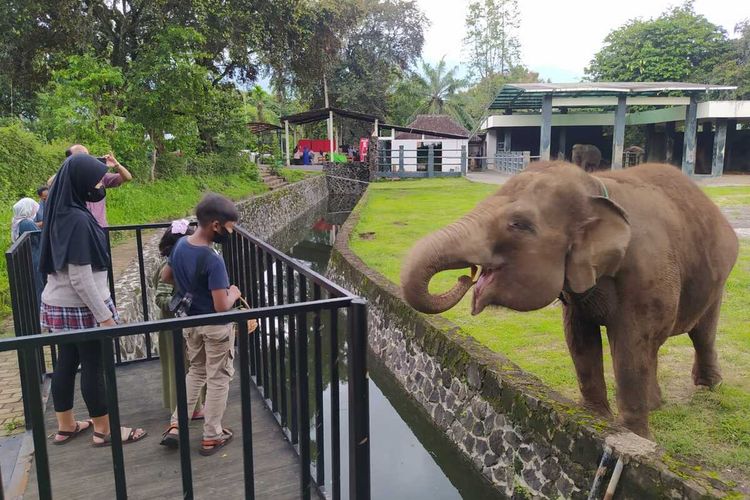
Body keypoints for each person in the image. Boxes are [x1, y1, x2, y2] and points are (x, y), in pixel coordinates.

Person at [39, 154, 147, 446]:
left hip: (57, 303)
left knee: (66, 360)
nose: (99, 184)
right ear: (80, 182)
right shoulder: (76, 219)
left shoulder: (58, 210)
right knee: (93, 365)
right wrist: (105, 316)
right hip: (81, 306)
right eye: (95, 179)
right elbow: (81, 278)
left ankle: (66, 425)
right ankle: (105, 430)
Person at [159, 194, 241, 455]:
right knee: (219, 378)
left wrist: (188, 288)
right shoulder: (213, 260)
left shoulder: (182, 244)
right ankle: (211, 435)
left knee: (196, 371)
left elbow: (166, 275)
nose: (231, 232)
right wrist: (234, 294)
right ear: (216, 225)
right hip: (215, 327)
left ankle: (176, 425)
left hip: (191, 323)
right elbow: (221, 305)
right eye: (230, 227)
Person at [154, 220, 206, 415]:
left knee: (191, 365)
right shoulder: (169, 269)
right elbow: (161, 298)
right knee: (183, 367)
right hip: (174, 327)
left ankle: (193, 405)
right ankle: (189, 408)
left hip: (182, 325)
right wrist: (186, 304)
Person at [65, 144, 133, 227]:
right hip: (79, 228)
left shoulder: (100, 176)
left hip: (100, 227)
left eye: (87, 155)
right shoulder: (65, 177)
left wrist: (116, 164)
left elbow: (127, 177)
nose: (85, 158)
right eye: (80, 155)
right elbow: (50, 182)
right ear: (69, 159)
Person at [11, 198, 43, 303]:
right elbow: (38, 238)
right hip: (33, 256)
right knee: (38, 286)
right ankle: (38, 314)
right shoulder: (26, 223)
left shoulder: (18, 221)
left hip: (28, 256)